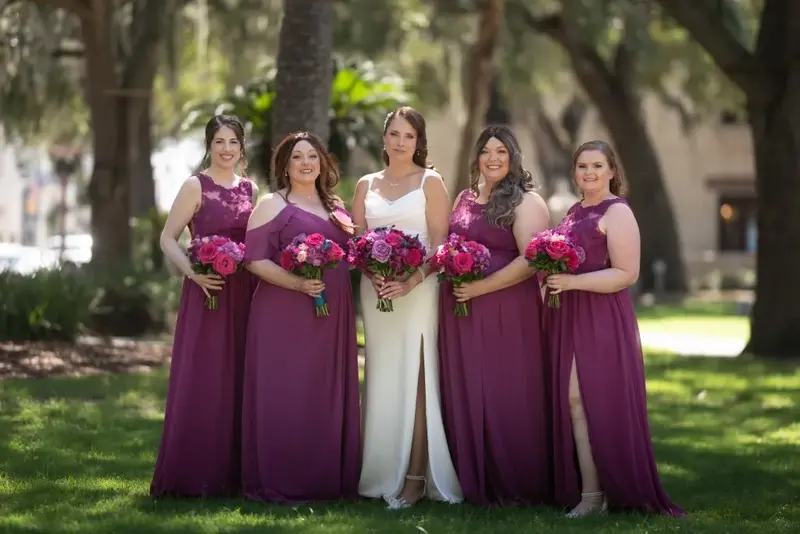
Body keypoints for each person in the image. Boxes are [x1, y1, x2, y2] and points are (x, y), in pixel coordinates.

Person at [544, 140, 685, 517]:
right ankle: (591, 494)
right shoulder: (574, 211)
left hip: (603, 314)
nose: (588, 172)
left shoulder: (618, 212)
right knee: (575, 400)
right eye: (581, 166)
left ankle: (612, 489)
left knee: (596, 400)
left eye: (596, 165)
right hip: (570, 312)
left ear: (611, 171)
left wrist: (572, 283)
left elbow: (627, 273)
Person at [240, 131, 361, 504]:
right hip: (284, 315)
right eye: (297, 157)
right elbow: (253, 260)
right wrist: (296, 283)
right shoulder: (271, 205)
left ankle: (324, 477)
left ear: (323, 162)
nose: (306, 162)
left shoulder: (337, 207)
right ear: (285, 166)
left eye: (313, 156)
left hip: (331, 314)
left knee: (321, 391)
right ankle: (282, 478)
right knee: (288, 391)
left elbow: (352, 253)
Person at [352, 106, 463, 509]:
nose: (400, 143)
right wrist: (374, 274)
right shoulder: (365, 184)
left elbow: (441, 246)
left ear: (419, 142)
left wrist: (411, 279)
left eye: (409, 136)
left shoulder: (430, 182)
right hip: (376, 290)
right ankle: (380, 474)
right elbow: (359, 241)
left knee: (417, 376)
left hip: (419, 289)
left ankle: (416, 478)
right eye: (394, 134)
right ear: (384, 138)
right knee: (383, 375)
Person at [437, 125, 552, 507]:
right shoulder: (465, 198)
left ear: (514, 157)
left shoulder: (526, 202)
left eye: (501, 151)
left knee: (505, 389)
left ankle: (516, 483)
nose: (493, 158)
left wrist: (481, 288)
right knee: (468, 387)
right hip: (462, 308)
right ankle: (473, 478)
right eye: (486, 151)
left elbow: (531, 259)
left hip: (507, 309)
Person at [151, 114, 258, 497]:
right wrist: (193, 274)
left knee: (238, 375)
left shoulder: (251, 189)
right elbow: (168, 238)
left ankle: (232, 474)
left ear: (241, 147)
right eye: (219, 142)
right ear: (208, 146)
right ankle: (193, 473)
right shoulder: (196, 185)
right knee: (205, 376)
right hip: (206, 291)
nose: (226, 149)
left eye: (233, 142)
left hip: (243, 293)